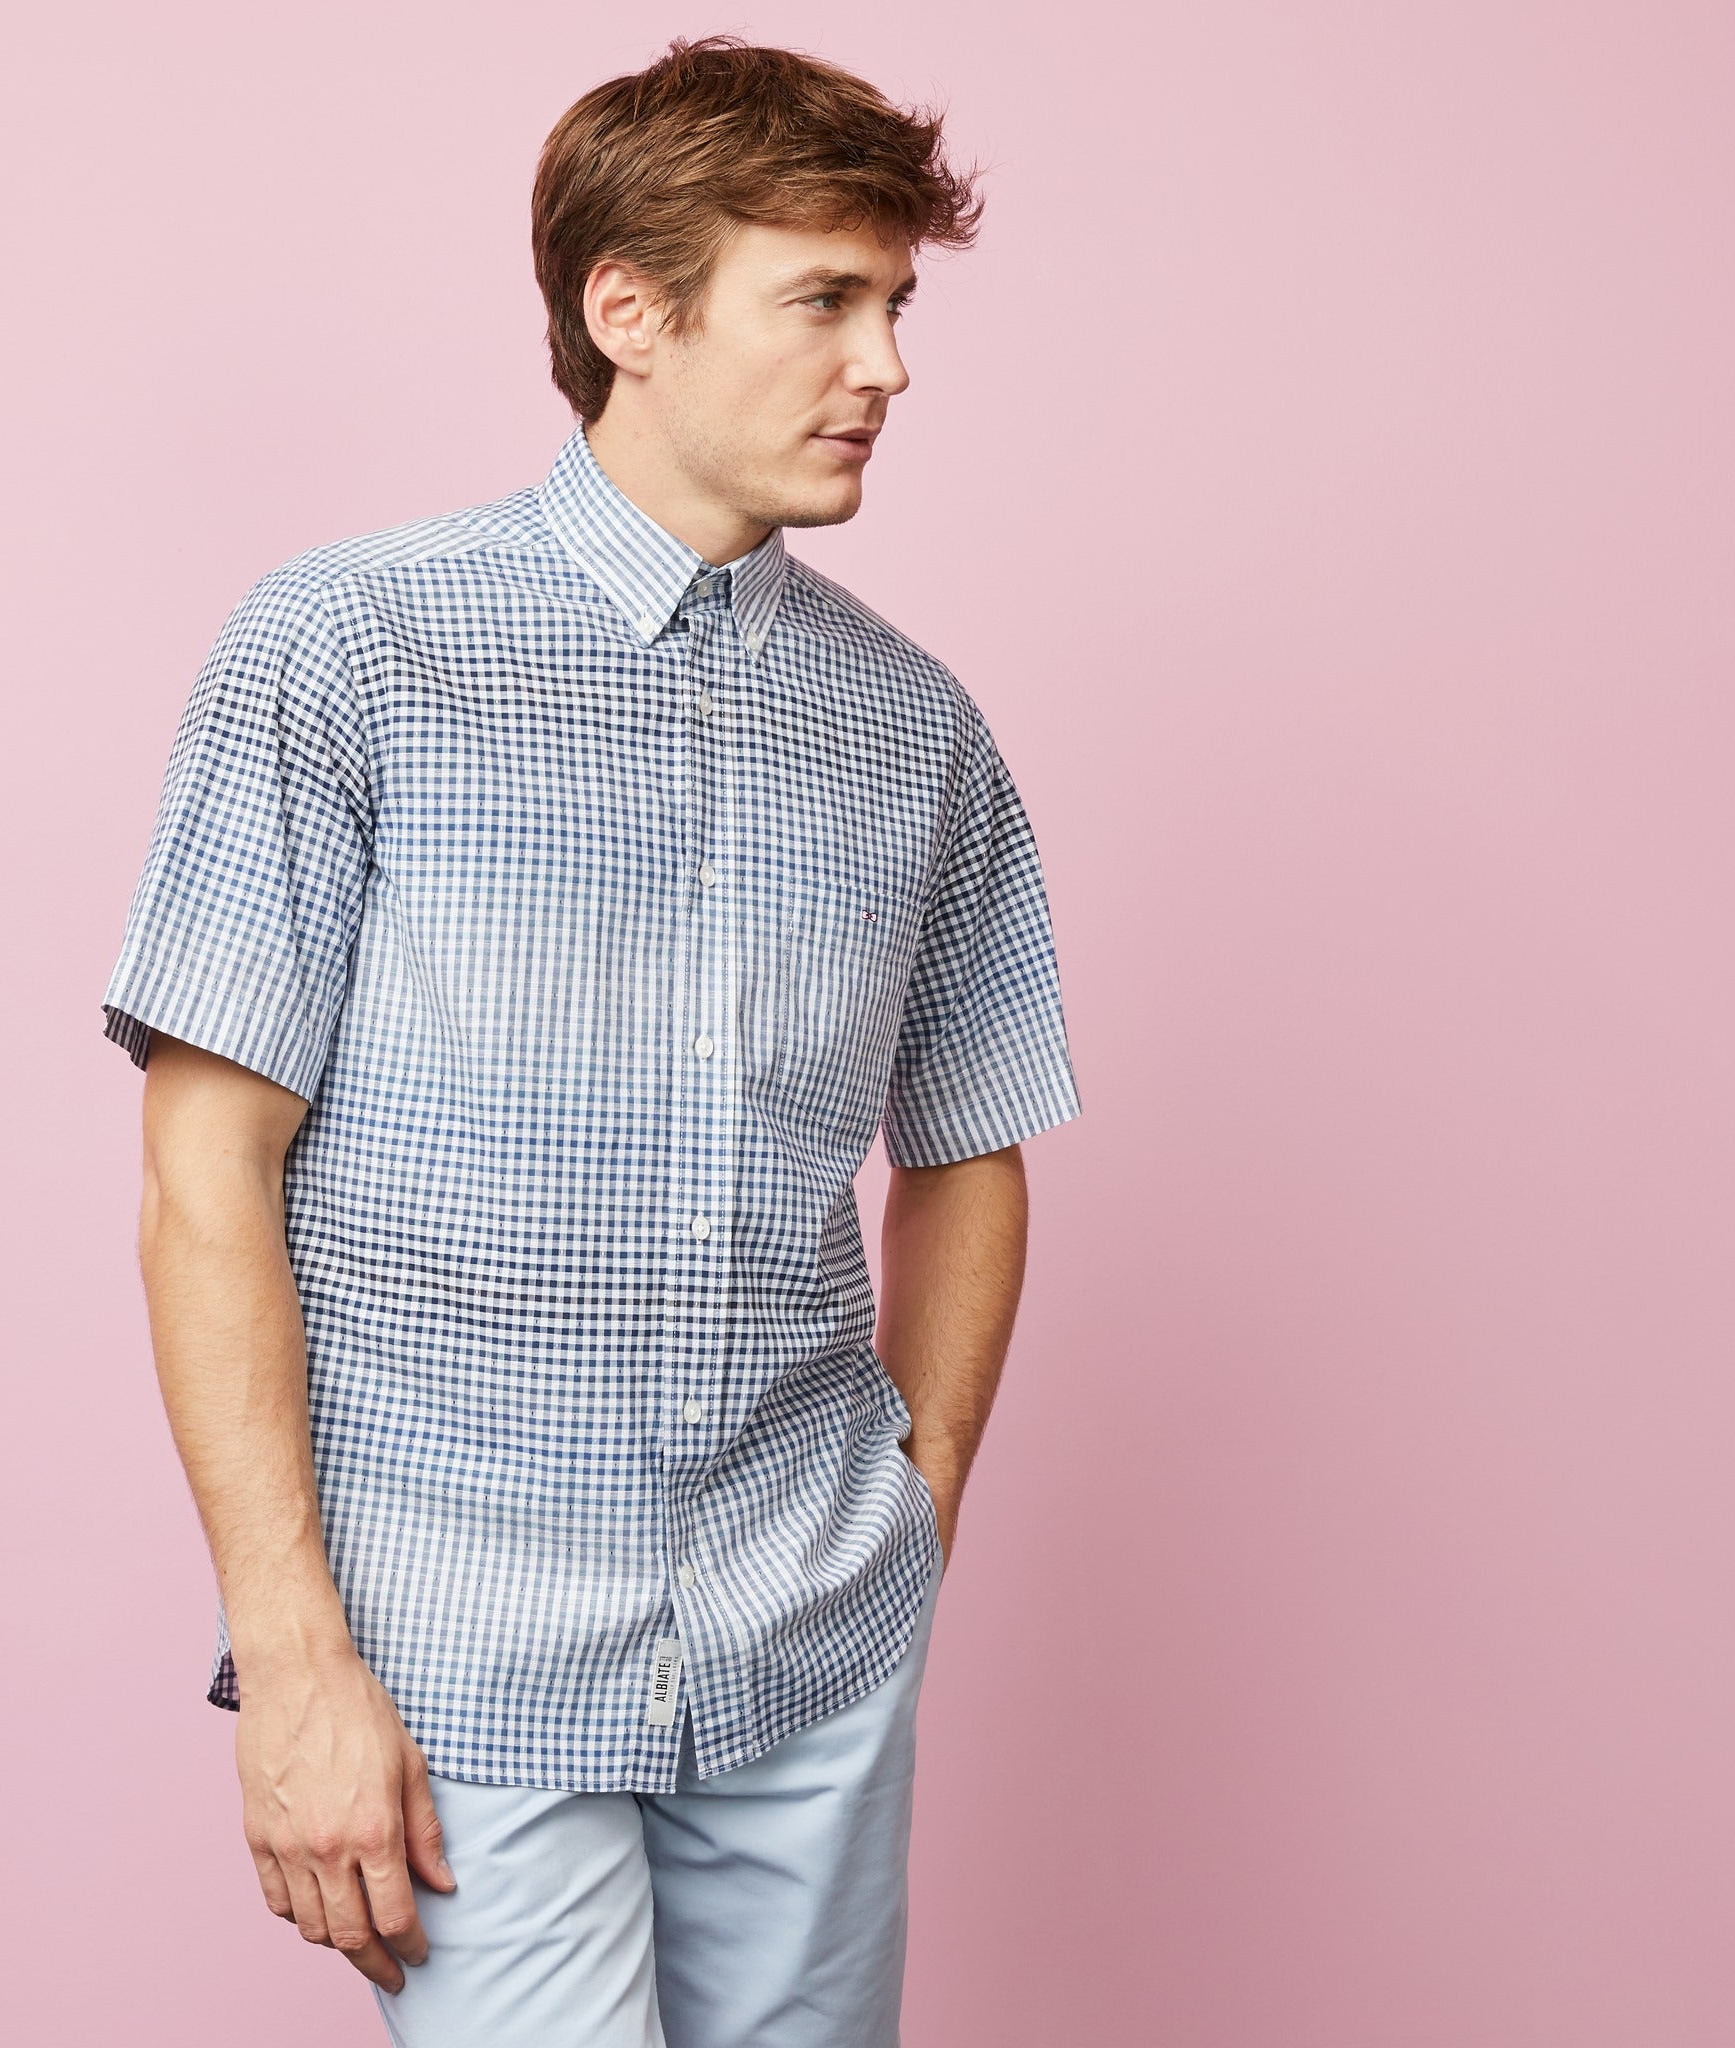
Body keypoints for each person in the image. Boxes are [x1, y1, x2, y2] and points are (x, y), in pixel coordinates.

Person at [99, 32, 1080, 2047]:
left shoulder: (919, 729)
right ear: (631, 312)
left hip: (808, 1638)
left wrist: (916, 1510)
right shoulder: (348, 651)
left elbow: (970, 1144)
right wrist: (291, 1660)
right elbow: (207, 1167)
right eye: (826, 300)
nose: (888, 366)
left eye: (897, 305)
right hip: (457, 1651)